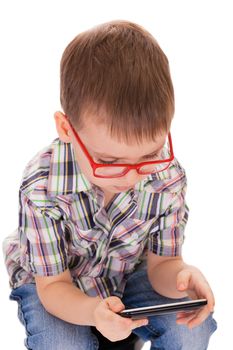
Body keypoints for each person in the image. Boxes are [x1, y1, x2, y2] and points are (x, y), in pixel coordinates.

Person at [2, 20, 217, 349]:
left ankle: (119, 335)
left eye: (149, 153)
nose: (132, 176)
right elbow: (53, 287)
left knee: (190, 330)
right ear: (67, 129)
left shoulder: (167, 177)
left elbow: (163, 265)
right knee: (62, 344)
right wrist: (93, 312)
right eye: (111, 161)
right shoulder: (42, 186)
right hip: (57, 286)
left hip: (126, 273)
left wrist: (182, 279)